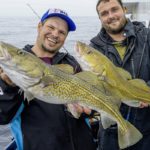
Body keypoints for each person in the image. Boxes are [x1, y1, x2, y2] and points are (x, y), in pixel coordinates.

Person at [0, 8, 97, 150]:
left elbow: (90, 104)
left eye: (62, 32)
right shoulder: (15, 66)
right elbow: (3, 116)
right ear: (39, 26)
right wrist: (8, 87)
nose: (55, 34)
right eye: (51, 27)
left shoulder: (72, 64)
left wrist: (89, 111)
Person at [90, 0, 150, 150]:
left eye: (114, 9)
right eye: (104, 13)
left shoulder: (146, 36)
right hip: (110, 134)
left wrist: (145, 91)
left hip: (147, 129)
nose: (110, 16)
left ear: (124, 9)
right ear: (100, 18)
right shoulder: (93, 49)